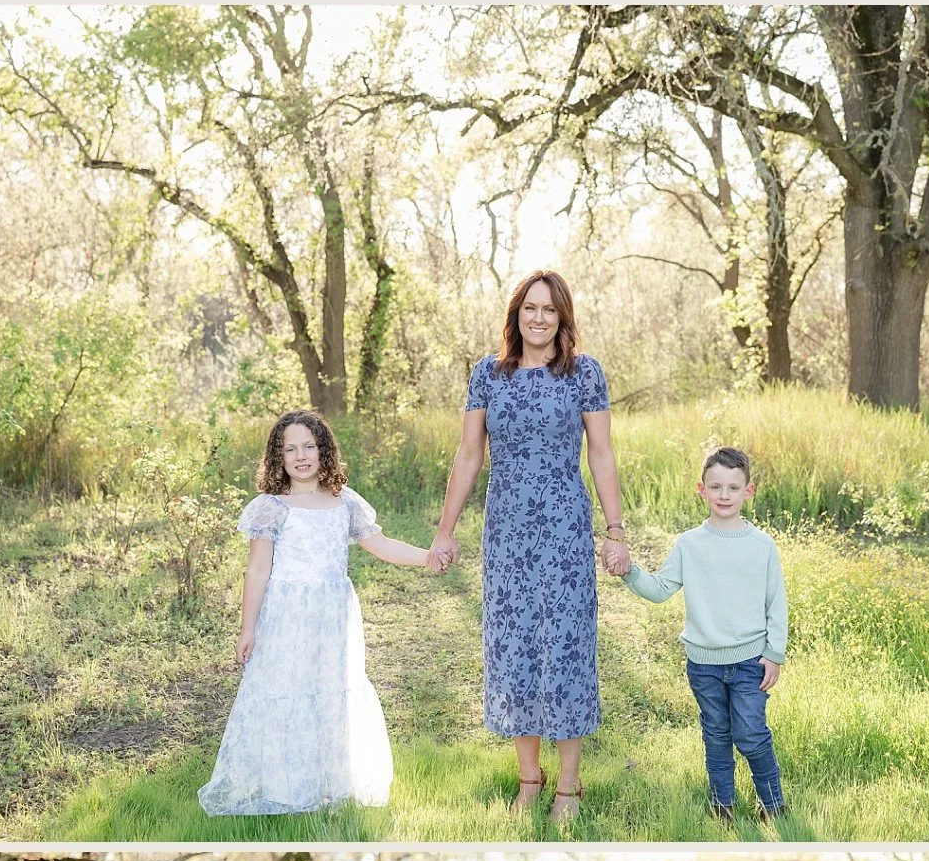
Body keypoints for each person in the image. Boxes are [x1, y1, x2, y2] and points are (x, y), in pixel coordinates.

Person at [429, 271, 630, 823]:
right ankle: (528, 778)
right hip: (507, 535)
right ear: (516, 316)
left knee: (564, 647)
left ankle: (568, 784)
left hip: (564, 532)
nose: (539, 318)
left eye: (550, 310)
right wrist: (445, 531)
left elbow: (602, 454)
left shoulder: (583, 374)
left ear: (563, 318)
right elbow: (469, 455)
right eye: (529, 309)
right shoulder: (488, 376)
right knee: (514, 647)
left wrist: (615, 532)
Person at [199, 411, 432, 819]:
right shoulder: (272, 507)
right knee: (287, 691)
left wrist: (427, 558)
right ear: (279, 458)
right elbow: (257, 569)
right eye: (290, 449)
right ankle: (288, 788)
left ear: (324, 450)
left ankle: (331, 783)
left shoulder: (344, 502)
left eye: (309, 446)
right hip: (286, 615)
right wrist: (247, 628)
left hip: (332, 615)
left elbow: (383, 545)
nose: (301, 456)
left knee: (330, 693)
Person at [617, 448, 789, 829]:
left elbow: (776, 602)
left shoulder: (761, 545)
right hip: (704, 664)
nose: (724, 495)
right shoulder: (689, 544)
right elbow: (661, 589)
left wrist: (774, 653)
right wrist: (630, 572)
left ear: (749, 491)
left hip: (749, 661)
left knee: (751, 733)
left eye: (733, 487)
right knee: (716, 735)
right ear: (702, 490)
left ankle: (773, 804)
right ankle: (722, 807)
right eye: (716, 486)